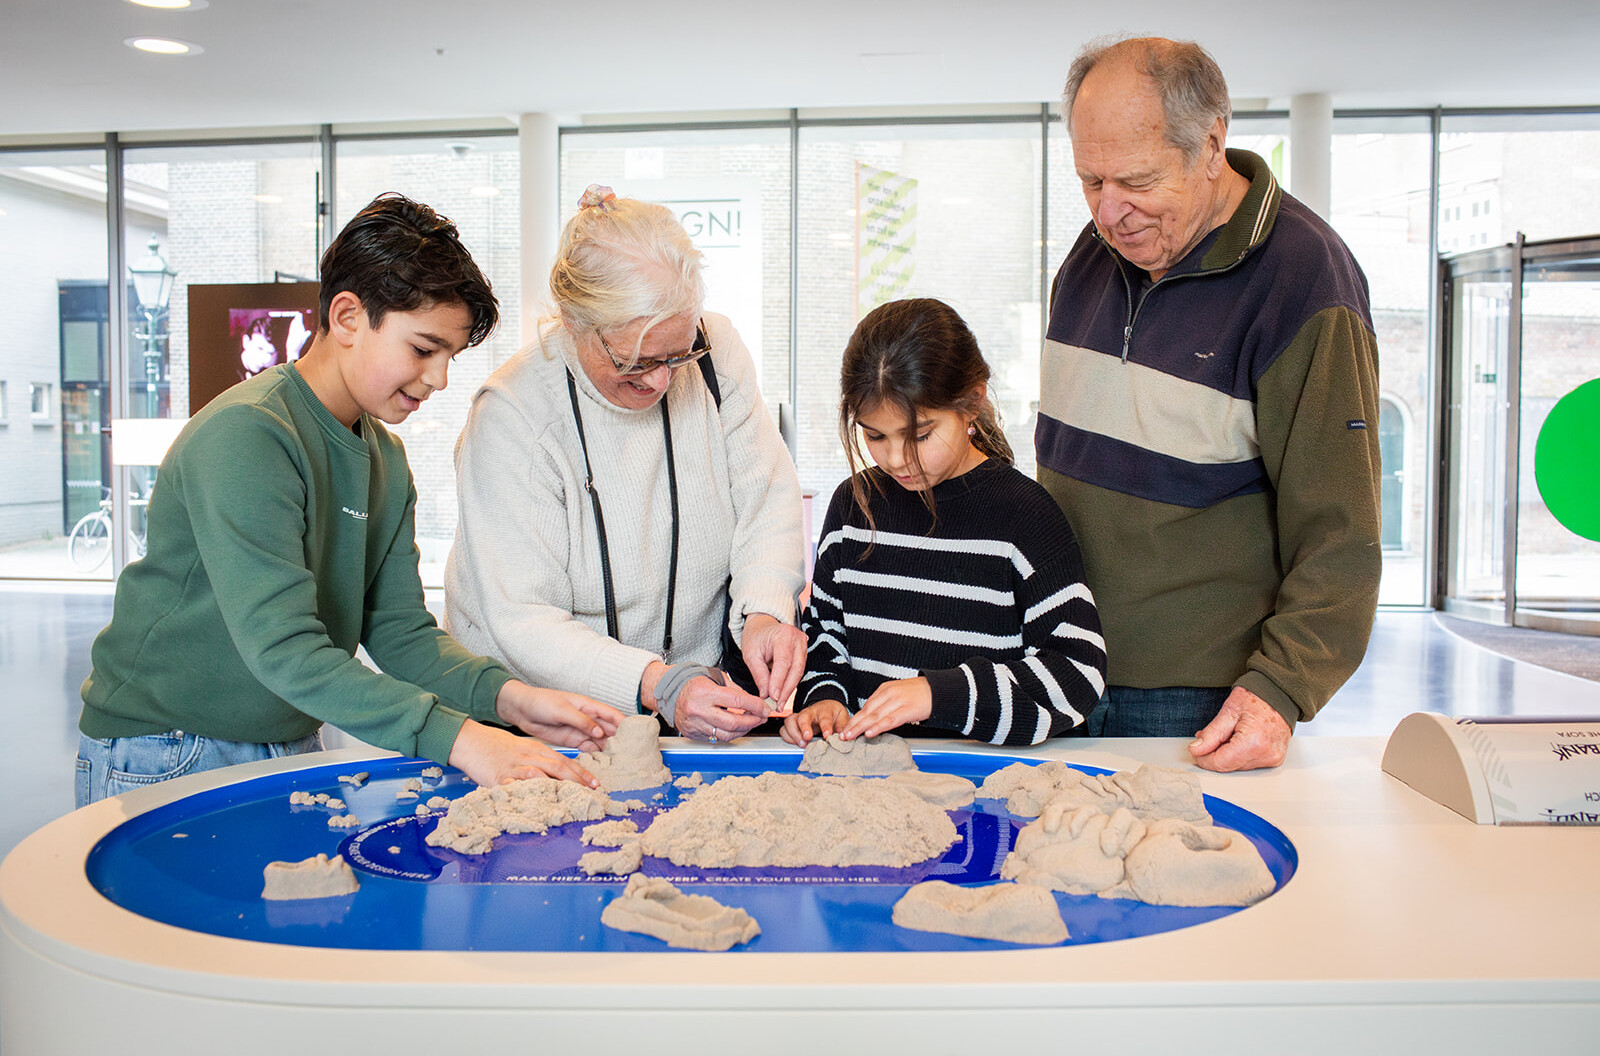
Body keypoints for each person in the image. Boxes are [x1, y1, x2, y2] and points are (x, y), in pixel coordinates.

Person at [76, 193, 619, 807]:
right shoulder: (249, 434)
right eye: (422, 349)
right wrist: (461, 739)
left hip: (290, 733)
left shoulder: (382, 456)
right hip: (170, 746)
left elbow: (400, 632)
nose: (440, 379)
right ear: (347, 317)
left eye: (450, 357)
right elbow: (285, 648)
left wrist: (511, 700)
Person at [1036, 36, 1382, 771]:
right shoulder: (1093, 253)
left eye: (1136, 180)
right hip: (1057, 666)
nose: (1110, 212)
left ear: (1210, 144)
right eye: (1090, 181)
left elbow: (1341, 534)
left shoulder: (1305, 281)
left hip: (1196, 696)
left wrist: (1280, 688)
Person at [445, 185, 807, 744]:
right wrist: (657, 683)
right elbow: (523, 619)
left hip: (692, 690)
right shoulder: (513, 415)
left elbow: (766, 494)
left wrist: (764, 609)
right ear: (571, 321)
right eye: (635, 360)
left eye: (676, 355)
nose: (662, 381)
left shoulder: (719, 352)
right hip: (543, 713)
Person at [781, 298, 1106, 748]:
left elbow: (1076, 675)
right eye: (874, 436)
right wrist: (824, 697)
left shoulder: (1026, 516)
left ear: (972, 403)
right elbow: (826, 636)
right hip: (870, 784)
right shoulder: (853, 507)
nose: (895, 459)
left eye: (919, 435)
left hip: (988, 785)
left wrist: (941, 695)